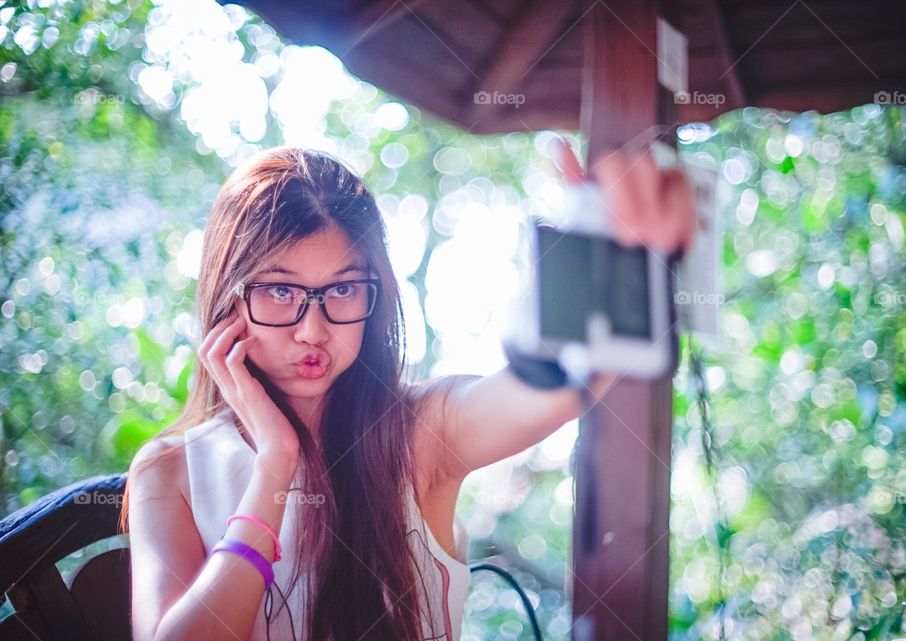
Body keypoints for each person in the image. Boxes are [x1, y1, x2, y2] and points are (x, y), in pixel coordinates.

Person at [121, 142, 694, 641]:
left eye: (343, 288)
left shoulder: (421, 431)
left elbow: (545, 388)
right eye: (279, 291)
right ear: (228, 298)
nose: (312, 329)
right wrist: (276, 461)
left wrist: (615, 269)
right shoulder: (169, 473)